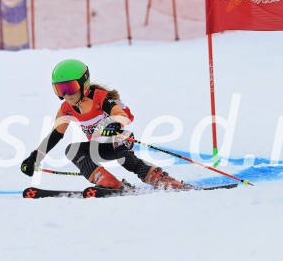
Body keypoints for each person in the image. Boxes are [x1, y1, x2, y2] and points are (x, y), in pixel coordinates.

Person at [20, 59, 185, 190]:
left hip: (121, 137)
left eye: (70, 87)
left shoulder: (100, 97)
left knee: (125, 158)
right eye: (59, 89)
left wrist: (114, 124)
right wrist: (35, 157)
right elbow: (55, 135)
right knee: (72, 150)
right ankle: (108, 181)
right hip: (100, 145)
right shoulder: (66, 109)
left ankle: (160, 178)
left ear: (84, 84)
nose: (66, 94)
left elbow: (121, 115)